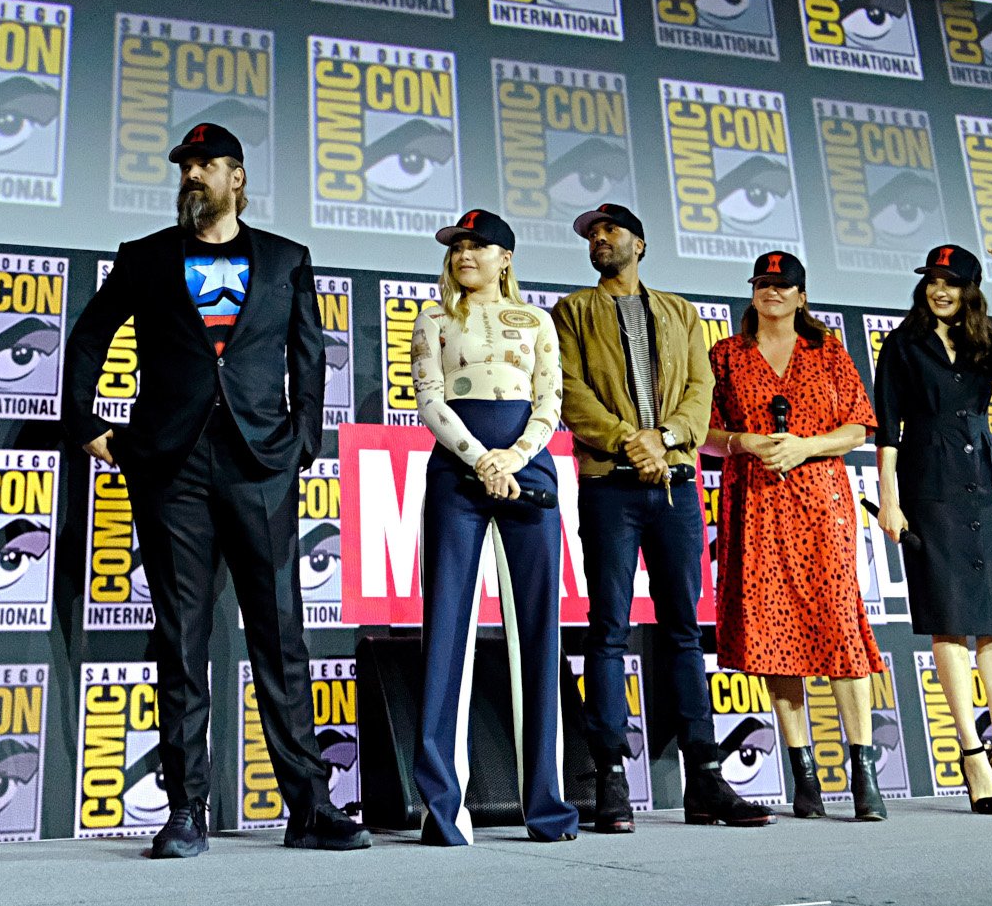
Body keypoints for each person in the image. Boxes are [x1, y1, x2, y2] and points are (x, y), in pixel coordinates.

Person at [63, 121, 370, 858]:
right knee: (180, 638)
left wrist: (302, 441)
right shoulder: (144, 258)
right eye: (186, 165)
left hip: (259, 464)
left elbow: (309, 352)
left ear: (238, 178)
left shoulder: (287, 258)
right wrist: (87, 423)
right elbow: (88, 337)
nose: (192, 174)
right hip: (170, 467)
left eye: (206, 164)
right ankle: (186, 809)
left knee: (280, 636)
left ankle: (309, 806)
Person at [554, 203, 770, 830]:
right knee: (608, 630)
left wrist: (668, 437)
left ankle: (704, 779)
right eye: (591, 232)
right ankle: (611, 780)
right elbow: (570, 392)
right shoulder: (572, 311)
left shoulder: (680, 312)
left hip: (675, 485)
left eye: (609, 230)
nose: (599, 238)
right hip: (609, 486)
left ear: (639, 244)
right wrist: (632, 442)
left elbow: (701, 394)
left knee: (681, 630)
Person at [411, 209, 578, 846]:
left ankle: (548, 806)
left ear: (506, 257)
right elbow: (429, 398)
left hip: (528, 469)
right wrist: (481, 458)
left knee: (537, 633)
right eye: (457, 246)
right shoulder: (434, 317)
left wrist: (514, 457)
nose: (465, 255)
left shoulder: (538, 321)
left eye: (478, 246)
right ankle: (444, 810)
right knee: (447, 626)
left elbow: (550, 401)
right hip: (458, 471)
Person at [706, 251, 887, 823]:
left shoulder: (827, 350)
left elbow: (859, 425)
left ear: (802, 296)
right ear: (752, 293)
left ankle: (863, 772)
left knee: (839, 632)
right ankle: (802, 772)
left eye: (784, 285)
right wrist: (745, 443)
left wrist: (805, 445)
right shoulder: (726, 356)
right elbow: (703, 431)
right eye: (763, 283)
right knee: (776, 636)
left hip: (822, 508)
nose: (773, 292)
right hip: (757, 506)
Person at [872, 243, 992, 815]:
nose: (939, 290)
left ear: (968, 290)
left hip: (983, 486)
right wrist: (890, 502)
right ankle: (972, 756)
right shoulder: (902, 345)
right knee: (949, 625)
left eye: (950, 282)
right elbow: (888, 431)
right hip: (929, 490)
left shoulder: (979, 345)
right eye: (931, 281)